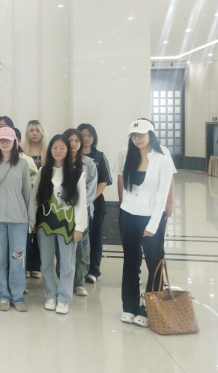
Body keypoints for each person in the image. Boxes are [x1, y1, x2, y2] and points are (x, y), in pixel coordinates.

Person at [115, 119, 173, 327]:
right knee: (130, 261)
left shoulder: (163, 160)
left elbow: (162, 194)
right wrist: (123, 211)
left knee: (153, 262)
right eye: (133, 135)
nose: (137, 139)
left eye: (141, 134)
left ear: (151, 135)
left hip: (151, 217)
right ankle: (129, 306)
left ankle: (149, 307)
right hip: (128, 215)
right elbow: (126, 188)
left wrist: (153, 224)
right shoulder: (129, 158)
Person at [29, 134, 87, 315]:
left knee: (67, 264)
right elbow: (34, 198)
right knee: (46, 262)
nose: (58, 151)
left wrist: (79, 227)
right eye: (54, 147)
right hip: (44, 223)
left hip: (68, 225)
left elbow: (81, 203)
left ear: (68, 150)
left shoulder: (77, 173)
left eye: (62, 147)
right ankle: (51, 296)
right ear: (50, 150)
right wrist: (32, 221)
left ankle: (63, 298)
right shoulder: (43, 171)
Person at [0, 127, 32, 312]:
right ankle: (3, 296)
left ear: (15, 142)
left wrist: (31, 219)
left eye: (8, 140)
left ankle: (17, 296)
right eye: (1, 140)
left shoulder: (23, 164)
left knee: (17, 258)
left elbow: (28, 193)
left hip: (19, 221)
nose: (4, 143)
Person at [61, 128, 98, 297]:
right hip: (62, 212)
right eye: (70, 140)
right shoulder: (59, 161)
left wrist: (78, 206)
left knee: (82, 247)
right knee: (62, 248)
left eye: (77, 141)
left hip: (83, 211)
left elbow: (90, 190)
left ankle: (79, 282)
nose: (73, 144)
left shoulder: (89, 164)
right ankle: (64, 279)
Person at [77, 123, 112, 283]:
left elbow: (104, 181)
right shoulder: (72, 156)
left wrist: (90, 198)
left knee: (94, 237)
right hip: (75, 205)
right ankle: (79, 269)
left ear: (94, 137)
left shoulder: (99, 156)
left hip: (95, 205)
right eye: (82, 135)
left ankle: (93, 270)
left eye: (89, 135)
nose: (86, 138)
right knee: (79, 237)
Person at [22, 120, 47, 279]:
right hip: (25, 197)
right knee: (25, 233)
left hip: (42, 196)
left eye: (37, 130)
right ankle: (25, 264)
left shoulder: (48, 151)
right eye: (31, 130)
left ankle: (36, 265)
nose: (34, 133)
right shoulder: (22, 149)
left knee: (39, 231)